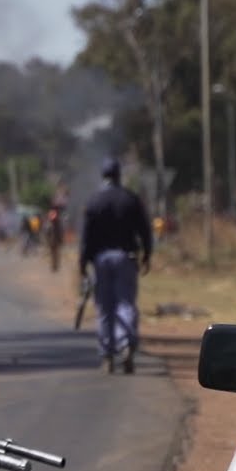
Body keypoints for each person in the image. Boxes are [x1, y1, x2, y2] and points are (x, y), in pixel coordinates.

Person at [78, 157, 153, 374]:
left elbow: (86, 237)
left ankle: (107, 354)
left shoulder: (94, 201)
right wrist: (147, 255)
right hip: (126, 258)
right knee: (125, 304)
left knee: (104, 308)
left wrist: (83, 263)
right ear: (119, 175)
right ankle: (126, 344)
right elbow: (145, 231)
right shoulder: (131, 199)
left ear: (103, 175)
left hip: (100, 261)